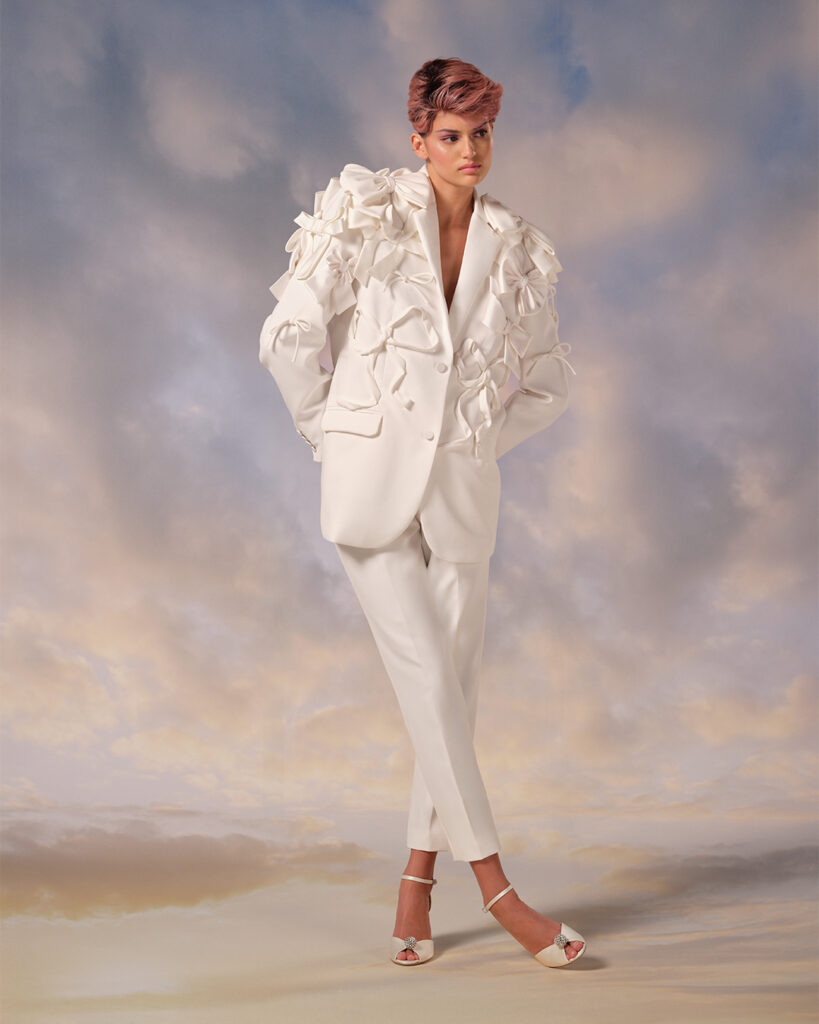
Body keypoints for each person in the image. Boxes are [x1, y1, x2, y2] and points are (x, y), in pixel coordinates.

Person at [259, 57, 586, 969]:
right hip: (366, 489)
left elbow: (550, 384)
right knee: (428, 680)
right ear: (418, 141)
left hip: (461, 497)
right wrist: (334, 434)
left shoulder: (517, 247)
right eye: (450, 135)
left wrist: (474, 440)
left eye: (481, 133)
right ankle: (498, 888)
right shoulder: (363, 212)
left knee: (448, 691)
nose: (469, 149)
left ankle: (414, 882)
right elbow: (287, 336)